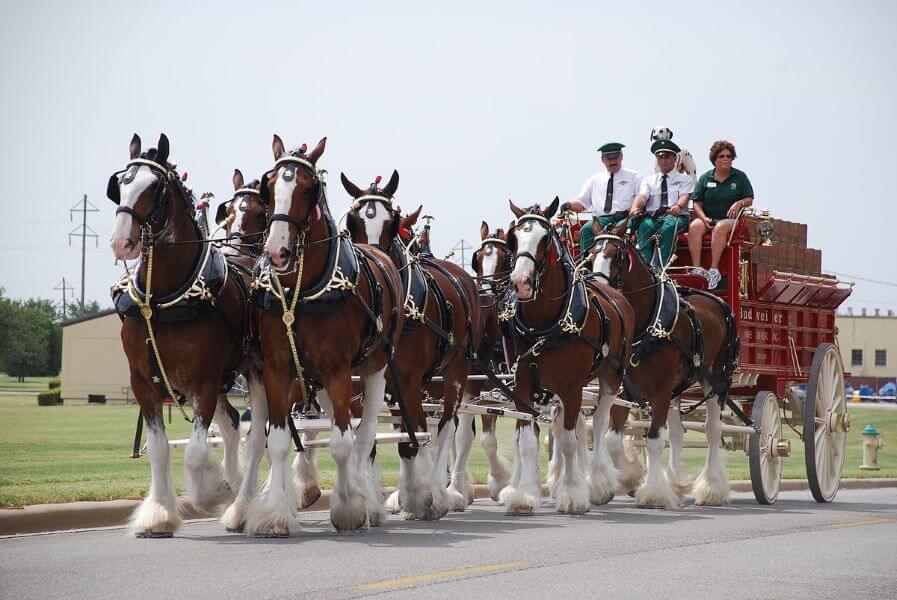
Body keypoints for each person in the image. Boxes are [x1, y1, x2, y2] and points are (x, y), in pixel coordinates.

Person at [688, 140, 754, 289]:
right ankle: (697, 268)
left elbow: (749, 198)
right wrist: (703, 217)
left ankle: (713, 270)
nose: (725, 159)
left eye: (729, 156)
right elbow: (696, 202)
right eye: (721, 156)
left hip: (729, 220)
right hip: (708, 217)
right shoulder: (705, 178)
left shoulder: (740, 177)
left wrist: (738, 203)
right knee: (694, 227)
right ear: (714, 159)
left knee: (719, 228)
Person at [560, 142, 643, 256]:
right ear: (602, 160)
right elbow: (581, 202)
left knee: (626, 229)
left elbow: (642, 197)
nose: (613, 161)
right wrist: (568, 205)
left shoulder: (634, 177)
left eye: (616, 157)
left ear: (622, 157)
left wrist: (632, 210)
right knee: (586, 229)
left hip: (624, 218)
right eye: (609, 158)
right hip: (600, 220)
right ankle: (587, 267)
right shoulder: (594, 180)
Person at [631, 139, 694, 268]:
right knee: (644, 226)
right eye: (660, 157)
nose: (663, 160)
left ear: (675, 158)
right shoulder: (648, 181)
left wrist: (679, 207)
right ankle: (645, 268)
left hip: (676, 216)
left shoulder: (684, 179)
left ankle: (659, 268)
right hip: (653, 217)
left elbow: (685, 196)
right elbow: (642, 197)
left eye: (666, 157)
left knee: (669, 227)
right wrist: (635, 208)